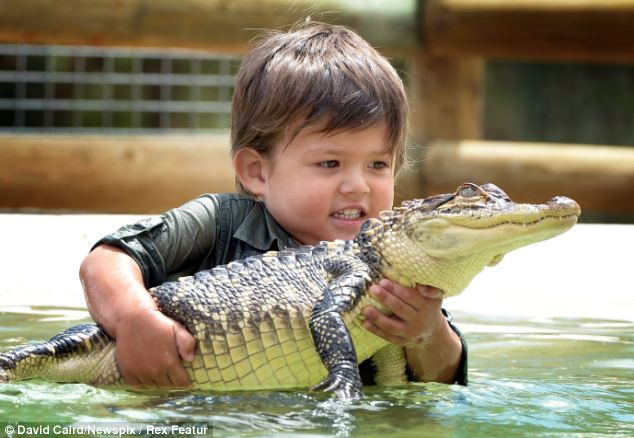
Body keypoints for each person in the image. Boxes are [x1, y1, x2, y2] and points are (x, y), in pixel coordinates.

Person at [79, 22, 467, 390]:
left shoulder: (392, 263)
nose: (358, 185)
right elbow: (106, 260)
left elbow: (445, 383)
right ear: (257, 172)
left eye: (378, 165)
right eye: (330, 163)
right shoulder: (221, 221)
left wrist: (428, 332)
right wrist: (134, 318)